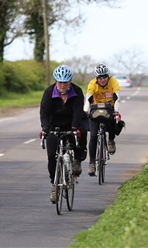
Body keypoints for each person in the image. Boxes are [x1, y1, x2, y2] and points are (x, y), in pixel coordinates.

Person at [40, 64, 88, 203]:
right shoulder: (49, 92)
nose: (62, 85)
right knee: (51, 156)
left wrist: (74, 127)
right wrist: (45, 128)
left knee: (82, 132)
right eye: (60, 82)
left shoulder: (77, 91)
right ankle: (54, 186)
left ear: (70, 82)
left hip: (73, 121)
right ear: (56, 81)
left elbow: (78, 111)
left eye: (65, 82)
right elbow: (44, 112)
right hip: (54, 124)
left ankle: (77, 161)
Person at [84, 63, 121, 176]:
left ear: (108, 76)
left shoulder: (113, 82)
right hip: (95, 110)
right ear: (97, 78)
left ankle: (111, 141)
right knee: (94, 136)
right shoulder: (92, 84)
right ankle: (91, 164)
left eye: (105, 77)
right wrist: (85, 111)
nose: (103, 80)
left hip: (109, 108)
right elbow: (88, 99)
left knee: (112, 122)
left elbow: (117, 98)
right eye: (100, 78)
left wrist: (116, 111)